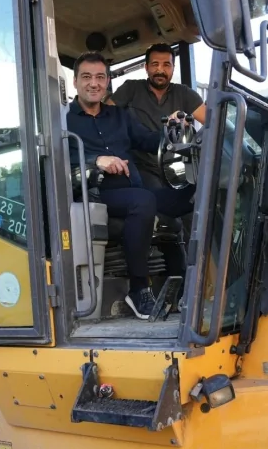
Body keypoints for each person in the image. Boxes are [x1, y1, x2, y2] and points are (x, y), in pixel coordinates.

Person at [66, 51, 196, 319]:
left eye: (100, 77)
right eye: (87, 77)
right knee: (143, 201)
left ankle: (192, 289)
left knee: (196, 193)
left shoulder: (119, 116)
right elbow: (56, 160)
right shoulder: (63, 119)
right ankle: (139, 289)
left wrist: (172, 130)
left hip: (135, 192)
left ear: (107, 82)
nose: (94, 83)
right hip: (95, 194)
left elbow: (148, 141)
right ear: (75, 82)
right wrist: (95, 161)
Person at [106, 43, 206, 189]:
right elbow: (104, 117)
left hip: (175, 166)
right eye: (155, 64)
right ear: (146, 67)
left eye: (166, 65)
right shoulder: (130, 89)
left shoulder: (184, 93)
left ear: (173, 67)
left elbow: (213, 122)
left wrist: (184, 120)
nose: (160, 70)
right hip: (139, 166)